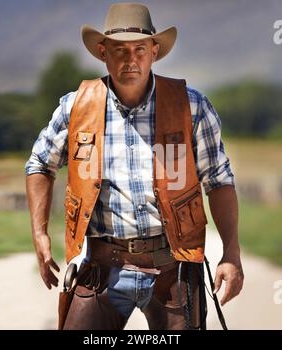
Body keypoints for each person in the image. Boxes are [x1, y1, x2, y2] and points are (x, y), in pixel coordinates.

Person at [25, 2, 244, 330]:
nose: (131, 59)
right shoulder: (76, 107)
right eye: (119, 50)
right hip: (101, 268)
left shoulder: (192, 107)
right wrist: (39, 232)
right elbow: (41, 163)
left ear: (154, 51)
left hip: (174, 268)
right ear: (103, 52)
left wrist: (231, 253)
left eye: (140, 49)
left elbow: (218, 180)